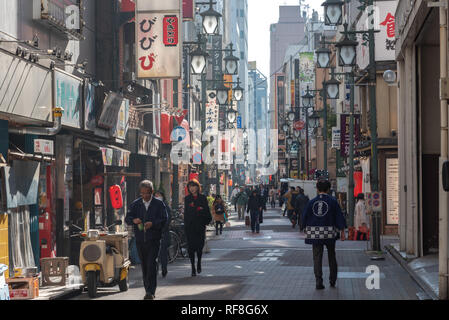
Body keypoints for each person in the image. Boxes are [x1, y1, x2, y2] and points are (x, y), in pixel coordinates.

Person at [125, 180, 168, 300]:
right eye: (142, 193)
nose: (145, 196)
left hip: (154, 239)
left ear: (152, 192)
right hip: (140, 240)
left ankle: (150, 291)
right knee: (144, 265)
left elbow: (164, 219)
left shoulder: (159, 204)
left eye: (147, 193)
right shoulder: (135, 204)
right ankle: (147, 289)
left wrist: (153, 224)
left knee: (151, 264)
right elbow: (127, 218)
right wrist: (133, 220)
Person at [300, 180, 346, 290]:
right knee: (331, 256)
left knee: (317, 257)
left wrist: (303, 227)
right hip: (330, 232)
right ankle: (333, 280)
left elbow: (304, 216)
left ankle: (318, 281)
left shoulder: (311, 202)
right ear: (328, 189)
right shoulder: (333, 201)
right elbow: (339, 216)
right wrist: (342, 231)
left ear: (317, 189)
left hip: (315, 233)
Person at [184, 180, 212, 276]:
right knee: (191, 248)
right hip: (190, 227)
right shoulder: (187, 199)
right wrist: (186, 225)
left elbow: (207, 211)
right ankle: (192, 267)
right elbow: (186, 213)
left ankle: (199, 262)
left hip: (200, 226)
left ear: (197, 187)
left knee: (199, 247)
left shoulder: (203, 198)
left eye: (194, 186)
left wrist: (200, 211)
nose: (192, 188)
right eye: (190, 186)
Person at [154, 190, 171, 278]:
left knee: (163, 252)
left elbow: (167, 220)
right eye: (156, 196)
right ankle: (155, 270)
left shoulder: (166, 207)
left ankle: (164, 268)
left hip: (163, 233)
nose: (157, 197)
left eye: (159, 195)